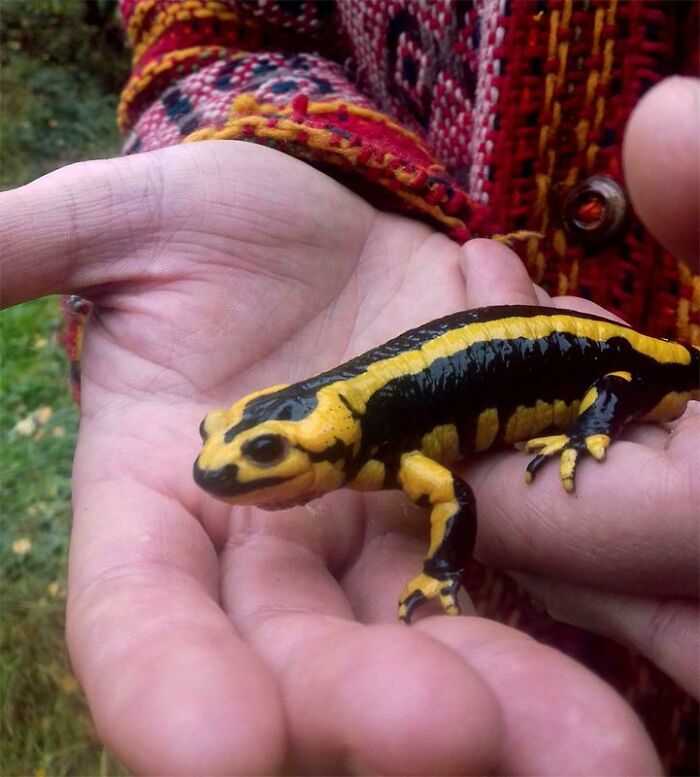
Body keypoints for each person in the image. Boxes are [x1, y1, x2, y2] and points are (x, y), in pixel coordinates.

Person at [1, 2, 698, 774]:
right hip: (542, 573)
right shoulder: (363, 436)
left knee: (616, 396)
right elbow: (219, 29)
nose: (226, 466)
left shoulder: (385, 452)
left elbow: (455, 498)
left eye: (266, 451)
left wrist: (447, 563)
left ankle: (594, 428)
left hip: (632, 368)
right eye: (236, 440)